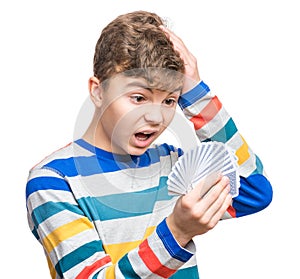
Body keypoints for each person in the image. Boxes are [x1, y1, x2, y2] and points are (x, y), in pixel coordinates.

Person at [25, 10, 273, 279]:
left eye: (169, 101)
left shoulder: (173, 166)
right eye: (138, 97)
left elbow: (254, 190)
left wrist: (197, 92)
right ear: (97, 91)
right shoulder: (53, 180)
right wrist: (177, 232)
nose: (156, 118)